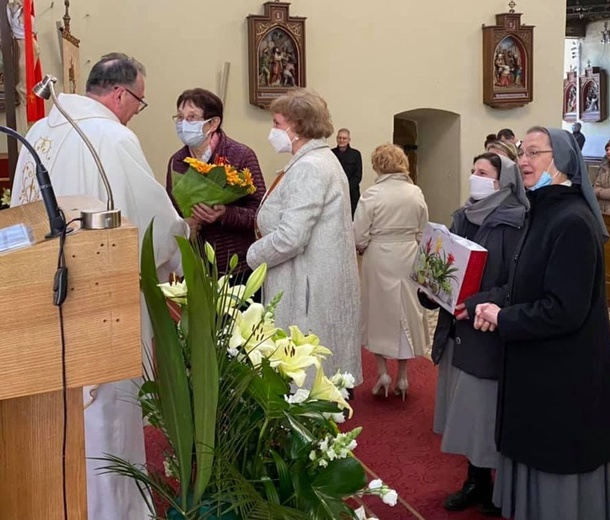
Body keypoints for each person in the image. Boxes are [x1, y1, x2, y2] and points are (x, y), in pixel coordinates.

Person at [11, 52, 188, 519]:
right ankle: (113, 511)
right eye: (140, 103)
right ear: (120, 94)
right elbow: (151, 222)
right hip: (100, 305)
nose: (135, 111)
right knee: (104, 415)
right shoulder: (111, 136)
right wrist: (179, 246)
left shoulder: (39, 131)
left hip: (39, 301)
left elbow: (18, 216)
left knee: (54, 417)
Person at [464, 127, 610, 520]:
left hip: (565, 380)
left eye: (534, 152)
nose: (523, 160)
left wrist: (505, 318)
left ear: (563, 162)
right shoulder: (541, 211)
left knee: (558, 490)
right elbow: (524, 285)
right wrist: (484, 306)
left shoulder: (572, 221)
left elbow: (563, 310)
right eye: (522, 151)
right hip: (537, 371)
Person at [423, 153, 527, 516]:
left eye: (482, 173)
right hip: (457, 328)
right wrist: (431, 285)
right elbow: (448, 263)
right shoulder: (463, 216)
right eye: (473, 171)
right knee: (464, 410)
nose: (474, 178)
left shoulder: (516, 222)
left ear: (503, 182)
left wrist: (482, 300)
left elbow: (516, 282)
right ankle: (476, 481)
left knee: (485, 411)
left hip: (487, 328)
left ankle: (501, 489)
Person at [246, 88, 362, 387]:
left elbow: (290, 237)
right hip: (309, 279)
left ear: (295, 127)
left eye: (276, 123)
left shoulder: (310, 166)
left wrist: (253, 255)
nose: (272, 131)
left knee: (302, 377)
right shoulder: (317, 160)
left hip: (305, 287)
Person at [166, 88, 266, 284]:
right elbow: (171, 210)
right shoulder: (176, 161)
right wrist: (185, 223)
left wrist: (224, 214)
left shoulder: (240, 155)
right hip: (195, 264)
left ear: (213, 123)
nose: (184, 124)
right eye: (179, 117)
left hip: (237, 266)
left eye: (192, 118)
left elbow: (260, 214)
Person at [354, 143, 429, 400]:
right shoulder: (415, 192)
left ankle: (382, 372)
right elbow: (423, 229)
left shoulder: (372, 194)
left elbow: (359, 234)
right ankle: (404, 377)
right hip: (408, 253)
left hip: (379, 255)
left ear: (377, 164)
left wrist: (364, 246)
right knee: (407, 311)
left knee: (378, 311)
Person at [332, 128, 363, 218]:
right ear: (337, 138)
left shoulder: (356, 154)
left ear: (349, 140)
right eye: (339, 138)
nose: (341, 140)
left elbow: (358, 176)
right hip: (334, 194)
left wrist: (345, 188)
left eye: (344, 138)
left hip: (351, 194)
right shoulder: (331, 153)